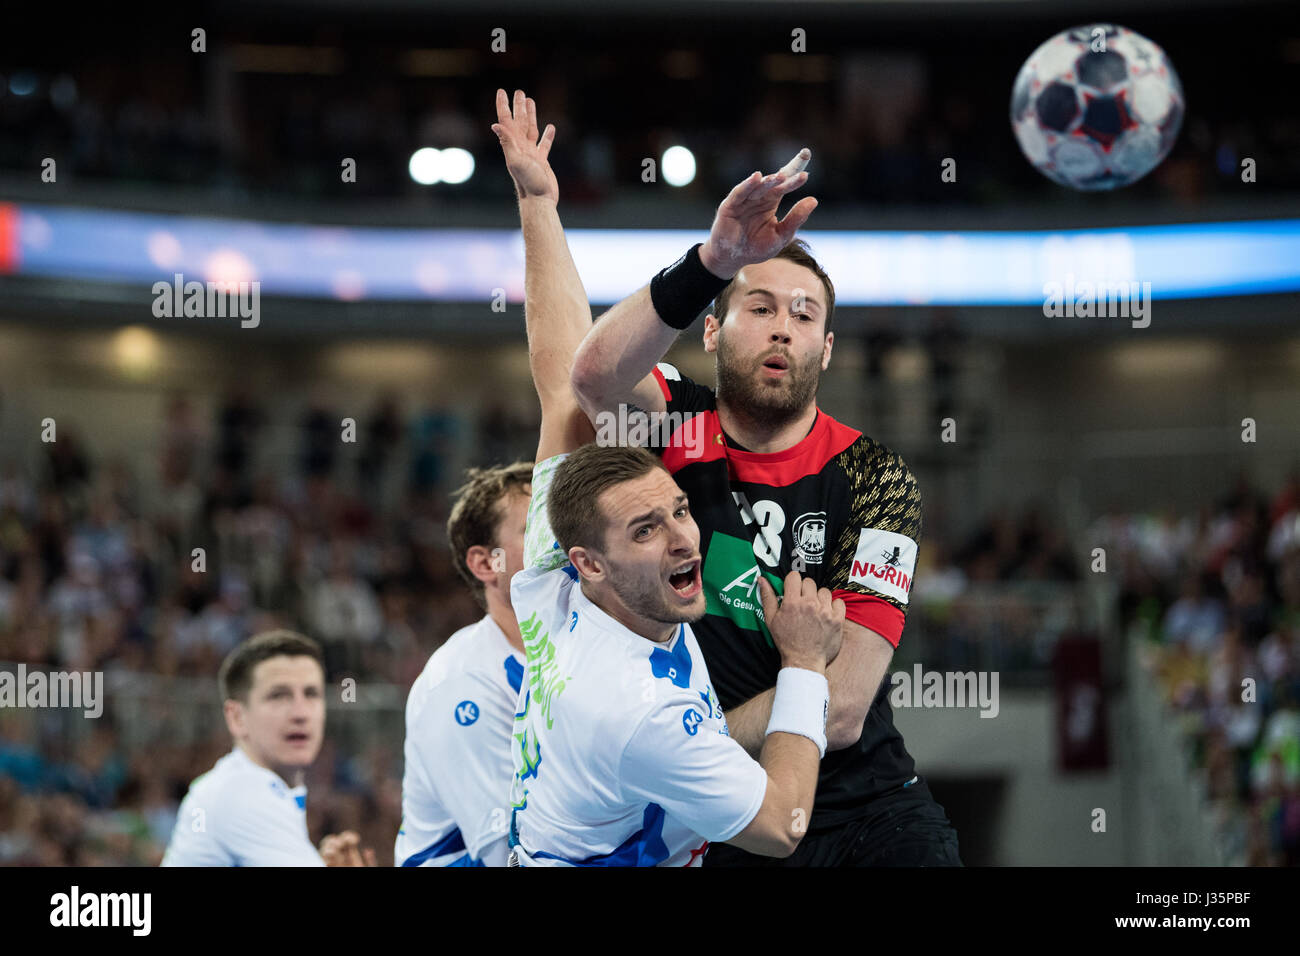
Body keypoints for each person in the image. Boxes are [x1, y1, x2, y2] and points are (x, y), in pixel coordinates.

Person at [569, 149, 962, 866]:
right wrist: (713, 260)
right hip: (726, 816)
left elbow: (841, 712)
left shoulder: (877, 478)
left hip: (867, 810)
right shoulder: (673, 423)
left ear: (827, 347)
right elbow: (592, 374)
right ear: (712, 333)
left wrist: (688, 735)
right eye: (760, 306)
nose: (784, 326)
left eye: (805, 315)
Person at [491, 88, 841, 867]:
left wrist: (538, 204)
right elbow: (784, 825)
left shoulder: (552, 577)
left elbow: (561, 379)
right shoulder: (640, 711)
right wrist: (805, 665)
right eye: (646, 531)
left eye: (678, 510)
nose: (685, 535)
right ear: (595, 563)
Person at [395, 462, 531, 867]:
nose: (560, 541)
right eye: (535, 528)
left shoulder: (586, 653)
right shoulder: (463, 682)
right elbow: (506, 856)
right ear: (486, 564)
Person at [162, 629, 373, 866]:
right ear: (237, 718)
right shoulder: (237, 795)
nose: (301, 713)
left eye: (311, 694)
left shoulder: (270, 790)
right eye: (279, 696)